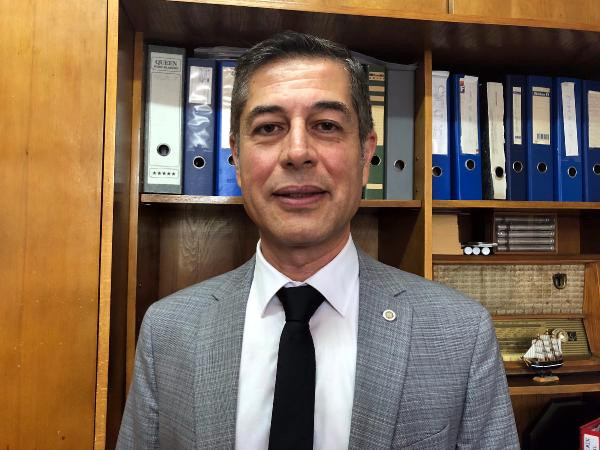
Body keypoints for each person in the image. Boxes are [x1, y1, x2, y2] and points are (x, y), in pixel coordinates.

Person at [117, 31, 519, 449]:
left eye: (326, 125)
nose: (297, 152)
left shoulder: (461, 334)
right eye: (269, 127)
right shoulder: (168, 331)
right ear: (236, 158)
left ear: (366, 155)